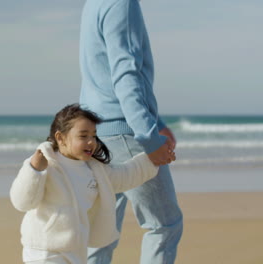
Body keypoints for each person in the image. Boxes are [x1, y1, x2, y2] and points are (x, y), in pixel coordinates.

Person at [79, 0, 183, 263]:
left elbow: (99, 75)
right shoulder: (121, 3)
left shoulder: (94, 4)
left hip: (97, 133)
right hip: (126, 136)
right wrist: (148, 136)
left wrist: (157, 123)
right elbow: (125, 74)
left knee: (101, 234)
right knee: (163, 226)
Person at [10, 104, 160, 264]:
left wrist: (151, 160)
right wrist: (34, 170)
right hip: (44, 252)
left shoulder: (95, 169)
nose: (91, 142)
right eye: (83, 136)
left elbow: (124, 176)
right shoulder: (46, 164)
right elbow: (22, 202)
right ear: (60, 138)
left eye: (94, 136)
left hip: (76, 250)